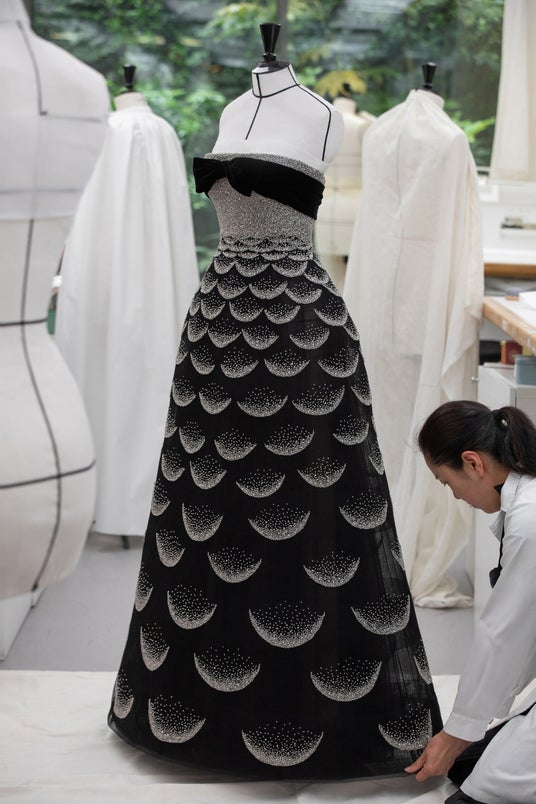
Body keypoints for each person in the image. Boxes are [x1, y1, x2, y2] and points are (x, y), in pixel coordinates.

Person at [107, 35, 442, 780]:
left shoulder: (321, 115)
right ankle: (199, 703)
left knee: (311, 508)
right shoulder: (234, 108)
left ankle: (315, 710)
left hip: (299, 327)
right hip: (218, 324)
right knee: (208, 511)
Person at [406, 400, 536, 803]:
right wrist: (464, 732)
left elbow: (505, 636)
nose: (456, 496)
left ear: (473, 463)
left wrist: (456, 732)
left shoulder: (530, 521)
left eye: (447, 482)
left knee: (480, 793)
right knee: (466, 766)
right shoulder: (522, 504)